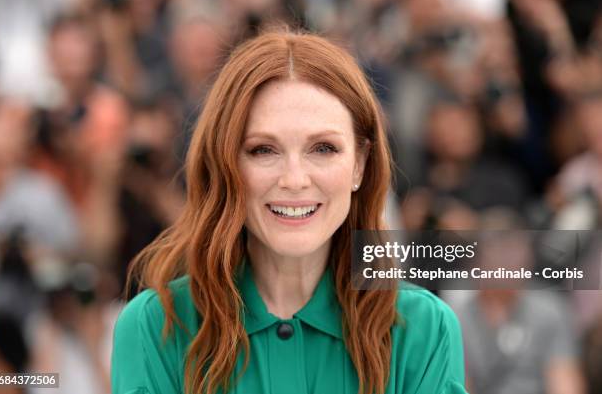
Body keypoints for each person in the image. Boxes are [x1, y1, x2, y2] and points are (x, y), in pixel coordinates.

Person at [111, 29, 468, 394]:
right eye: (263, 150)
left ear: (360, 164)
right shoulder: (153, 328)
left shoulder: (425, 329)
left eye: (324, 148)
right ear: (225, 164)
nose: (294, 180)